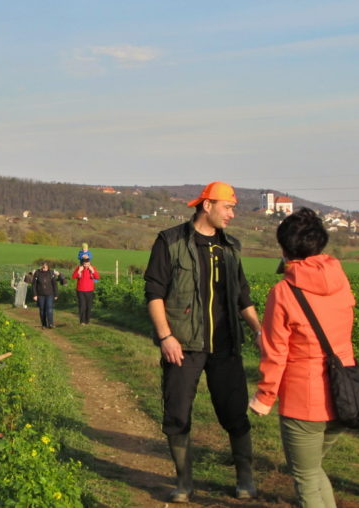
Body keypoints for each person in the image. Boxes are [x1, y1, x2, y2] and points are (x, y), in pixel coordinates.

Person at [144, 181, 263, 502]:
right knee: (177, 414)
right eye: (227, 207)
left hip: (226, 347)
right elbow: (154, 292)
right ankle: (184, 483)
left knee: (235, 414)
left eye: (233, 208)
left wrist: (257, 329)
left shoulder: (231, 247)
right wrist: (165, 336)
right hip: (182, 345)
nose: (232, 214)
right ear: (207, 205)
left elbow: (242, 295)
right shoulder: (170, 242)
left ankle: (245, 478)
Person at [249, 207, 355, 508]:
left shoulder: (283, 292)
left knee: (305, 478)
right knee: (312, 470)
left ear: (284, 249)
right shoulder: (341, 279)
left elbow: (275, 351)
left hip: (303, 400)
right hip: (344, 392)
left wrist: (265, 397)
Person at [30, 262, 64, 329]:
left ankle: (51, 324)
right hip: (40, 295)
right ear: (41, 266)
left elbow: (54, 284)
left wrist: (56, 294)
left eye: (46, 266)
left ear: (48, 267)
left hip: (50, 294)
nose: (44, 268)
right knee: (42, 310)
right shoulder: (37, 273)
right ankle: (44, 324)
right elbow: (34, 285)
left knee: (49, 309)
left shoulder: (51, 273)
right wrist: (35, 295)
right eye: (43, 266)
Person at [71, 256, 101, 324]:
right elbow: (73, 277)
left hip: (90, 290)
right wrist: (79, 271)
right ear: (82, 264)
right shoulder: (79, 268)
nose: (86, 265)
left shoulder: (92, 268)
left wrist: (92, 271)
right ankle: (82, 321)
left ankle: (87, 320)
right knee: (82, 305)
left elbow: (97, 277)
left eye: (88, 264)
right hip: (80, 290)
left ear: (90, 263)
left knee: (89, 306)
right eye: (85, 264)